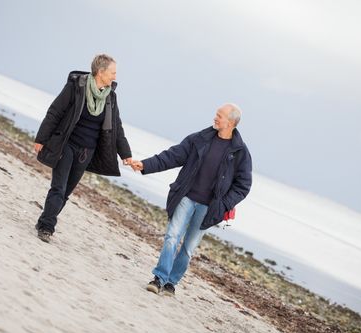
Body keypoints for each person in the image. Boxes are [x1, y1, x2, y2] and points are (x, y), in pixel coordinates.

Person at [131, 103, 252, 295]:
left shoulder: (240, 153)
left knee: (188, 248)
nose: (215, 118)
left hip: (209, 208)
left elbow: (243, 185)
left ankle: (171, 282)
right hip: (186, 197)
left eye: (219, 116)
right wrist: (145, 165)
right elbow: (172, 156)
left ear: (230, 122)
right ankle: (159, 278)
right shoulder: (200, 139)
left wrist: (223, 204)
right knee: (172, 237)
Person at [34, 54, 132, 243]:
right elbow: (55, 111)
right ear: (101, 72)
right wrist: (41, 138)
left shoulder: (110, 96)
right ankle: (47, 227)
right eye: (113, 72)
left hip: (87, 152)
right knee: (58, 188)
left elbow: (116, 127)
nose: (115, 76)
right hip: (67, 145)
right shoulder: (76, 86)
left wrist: (125, 154)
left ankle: (44, 220)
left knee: (66, 192)